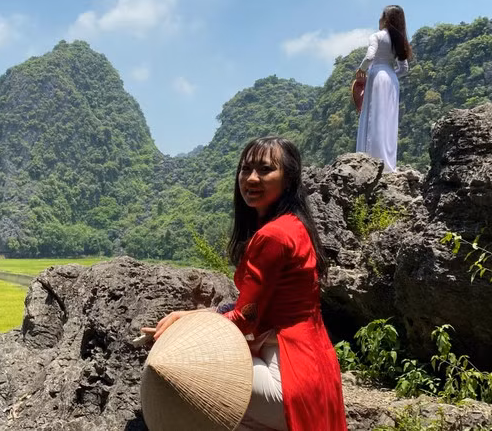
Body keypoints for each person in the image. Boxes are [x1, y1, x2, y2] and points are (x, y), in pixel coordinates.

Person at [142, 136, 346, 431]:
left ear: (288, 179)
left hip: (286, 377)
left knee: (185, 373)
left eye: (265, 170)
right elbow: (250, 308)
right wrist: (188, 317)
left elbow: (244, 321)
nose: (251, 178)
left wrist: (185, 327)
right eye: (245, 169)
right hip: (316, 367)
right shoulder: (295, 226)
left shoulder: (272, 236)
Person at [355, 4, 413, 173]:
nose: (379, 19)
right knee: (387, 119)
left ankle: (369, 160)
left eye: (381, 16)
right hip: (392, 80)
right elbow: (404, 69)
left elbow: (370, 56)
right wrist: (390, 73)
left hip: (377, 77)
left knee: (374, 117)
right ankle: (388, 164)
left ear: (386, 19)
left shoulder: (377, 36)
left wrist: (361, 70)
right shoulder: (400, 40)